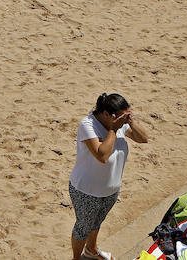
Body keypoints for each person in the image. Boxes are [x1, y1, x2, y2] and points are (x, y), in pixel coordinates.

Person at [68, 92, 150, 260]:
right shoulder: (88, 124)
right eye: (123, 116)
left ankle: (91, 249)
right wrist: (113, 129)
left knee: (97, 222)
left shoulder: (121, 123)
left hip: (110, 190)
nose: (124, 120)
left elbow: (143, 139)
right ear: (106, 114)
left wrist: (130, 121)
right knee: (83, 228)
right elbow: (102, 156)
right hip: (87, 191)